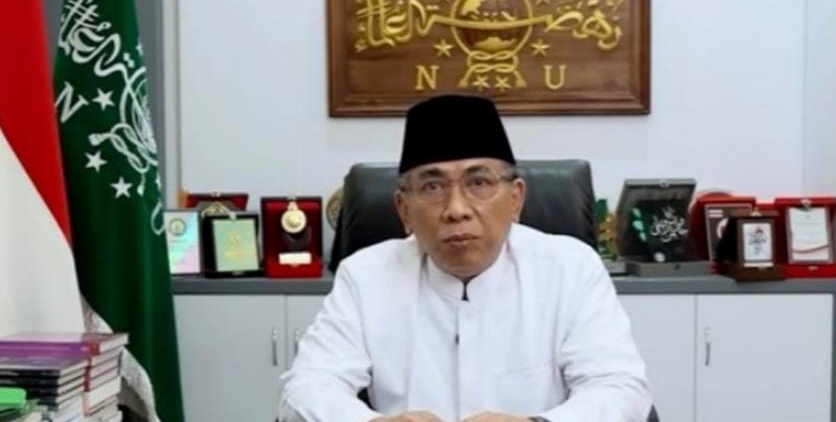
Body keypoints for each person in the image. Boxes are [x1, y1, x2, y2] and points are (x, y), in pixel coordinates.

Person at [278, 95, 651, 422]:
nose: (456, 209)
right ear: (404, 209)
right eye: (432, 186)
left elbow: (621, 389)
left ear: (516, 199)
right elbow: (306, 388)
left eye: (479, 183)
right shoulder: (365, 276)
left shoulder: (569, 269)